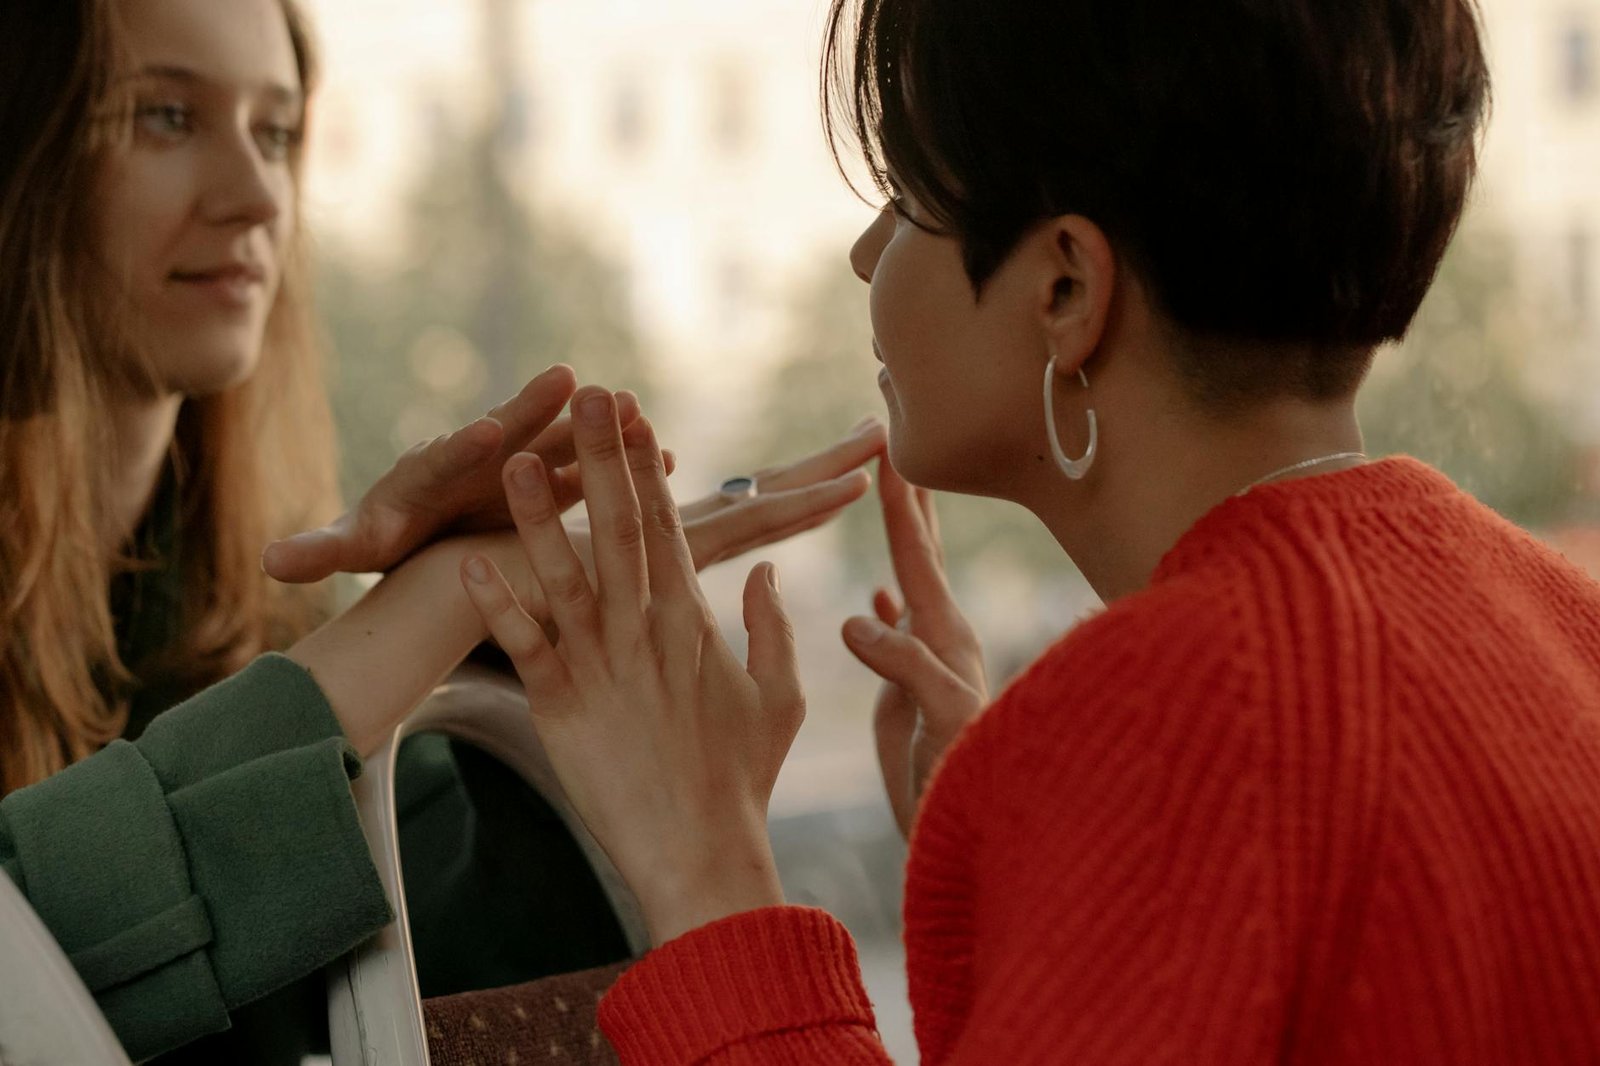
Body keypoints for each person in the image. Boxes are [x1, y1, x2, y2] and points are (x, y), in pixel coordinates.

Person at [459, 0, 1600, 1062]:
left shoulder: (1164, 729)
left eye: (907, 198)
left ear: (1065, 290)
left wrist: (704, 867)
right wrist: (1033, 857)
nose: (866, 254)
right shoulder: (1559, 621)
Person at [0, 0, 883, 1061]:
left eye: (277, 133)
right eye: (165, 119)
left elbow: (473, 977)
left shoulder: (244, 607)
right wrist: (420, 613)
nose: (254, 199)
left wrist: (513, 644)